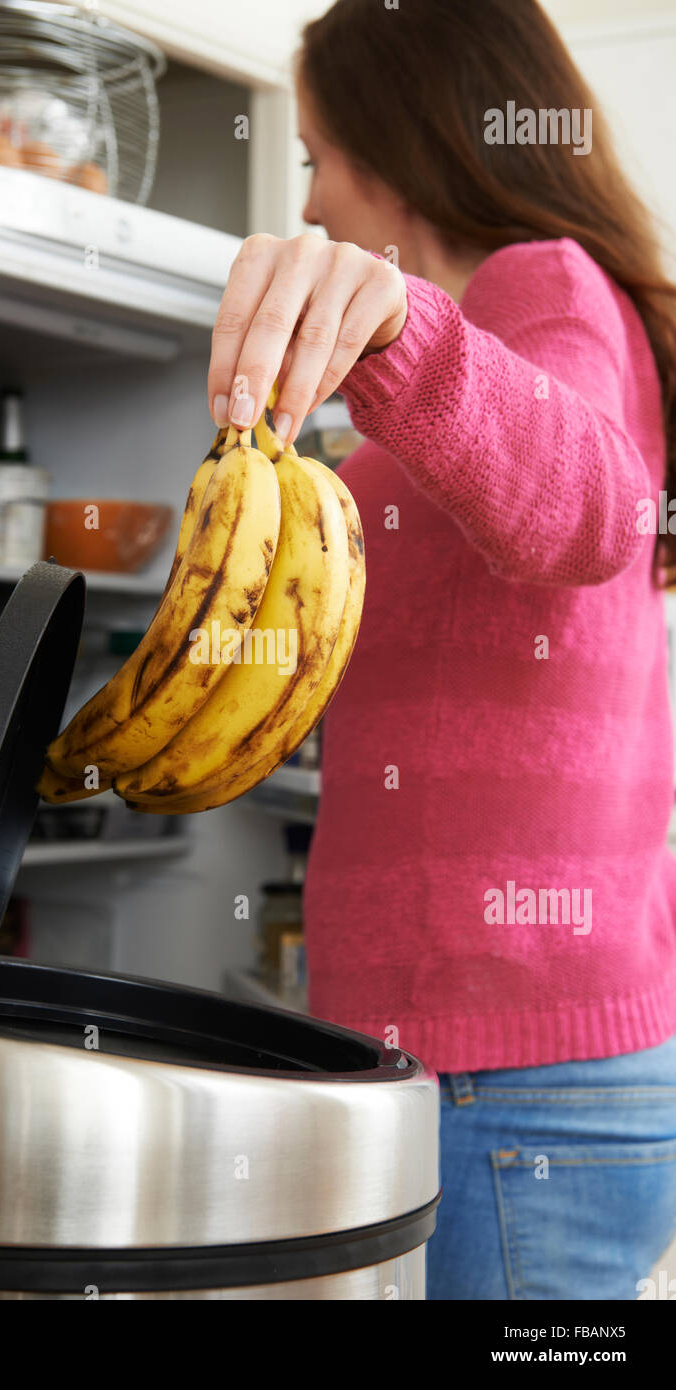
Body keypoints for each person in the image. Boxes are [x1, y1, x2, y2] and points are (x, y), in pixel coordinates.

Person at [207, 0, 676, 1299]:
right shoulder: (511, 336)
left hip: (507, 1080)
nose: (308, 204)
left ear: (397, 141)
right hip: (503, 1078)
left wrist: (399, 327)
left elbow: (592, 500)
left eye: (313, 155)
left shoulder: (544, 286)